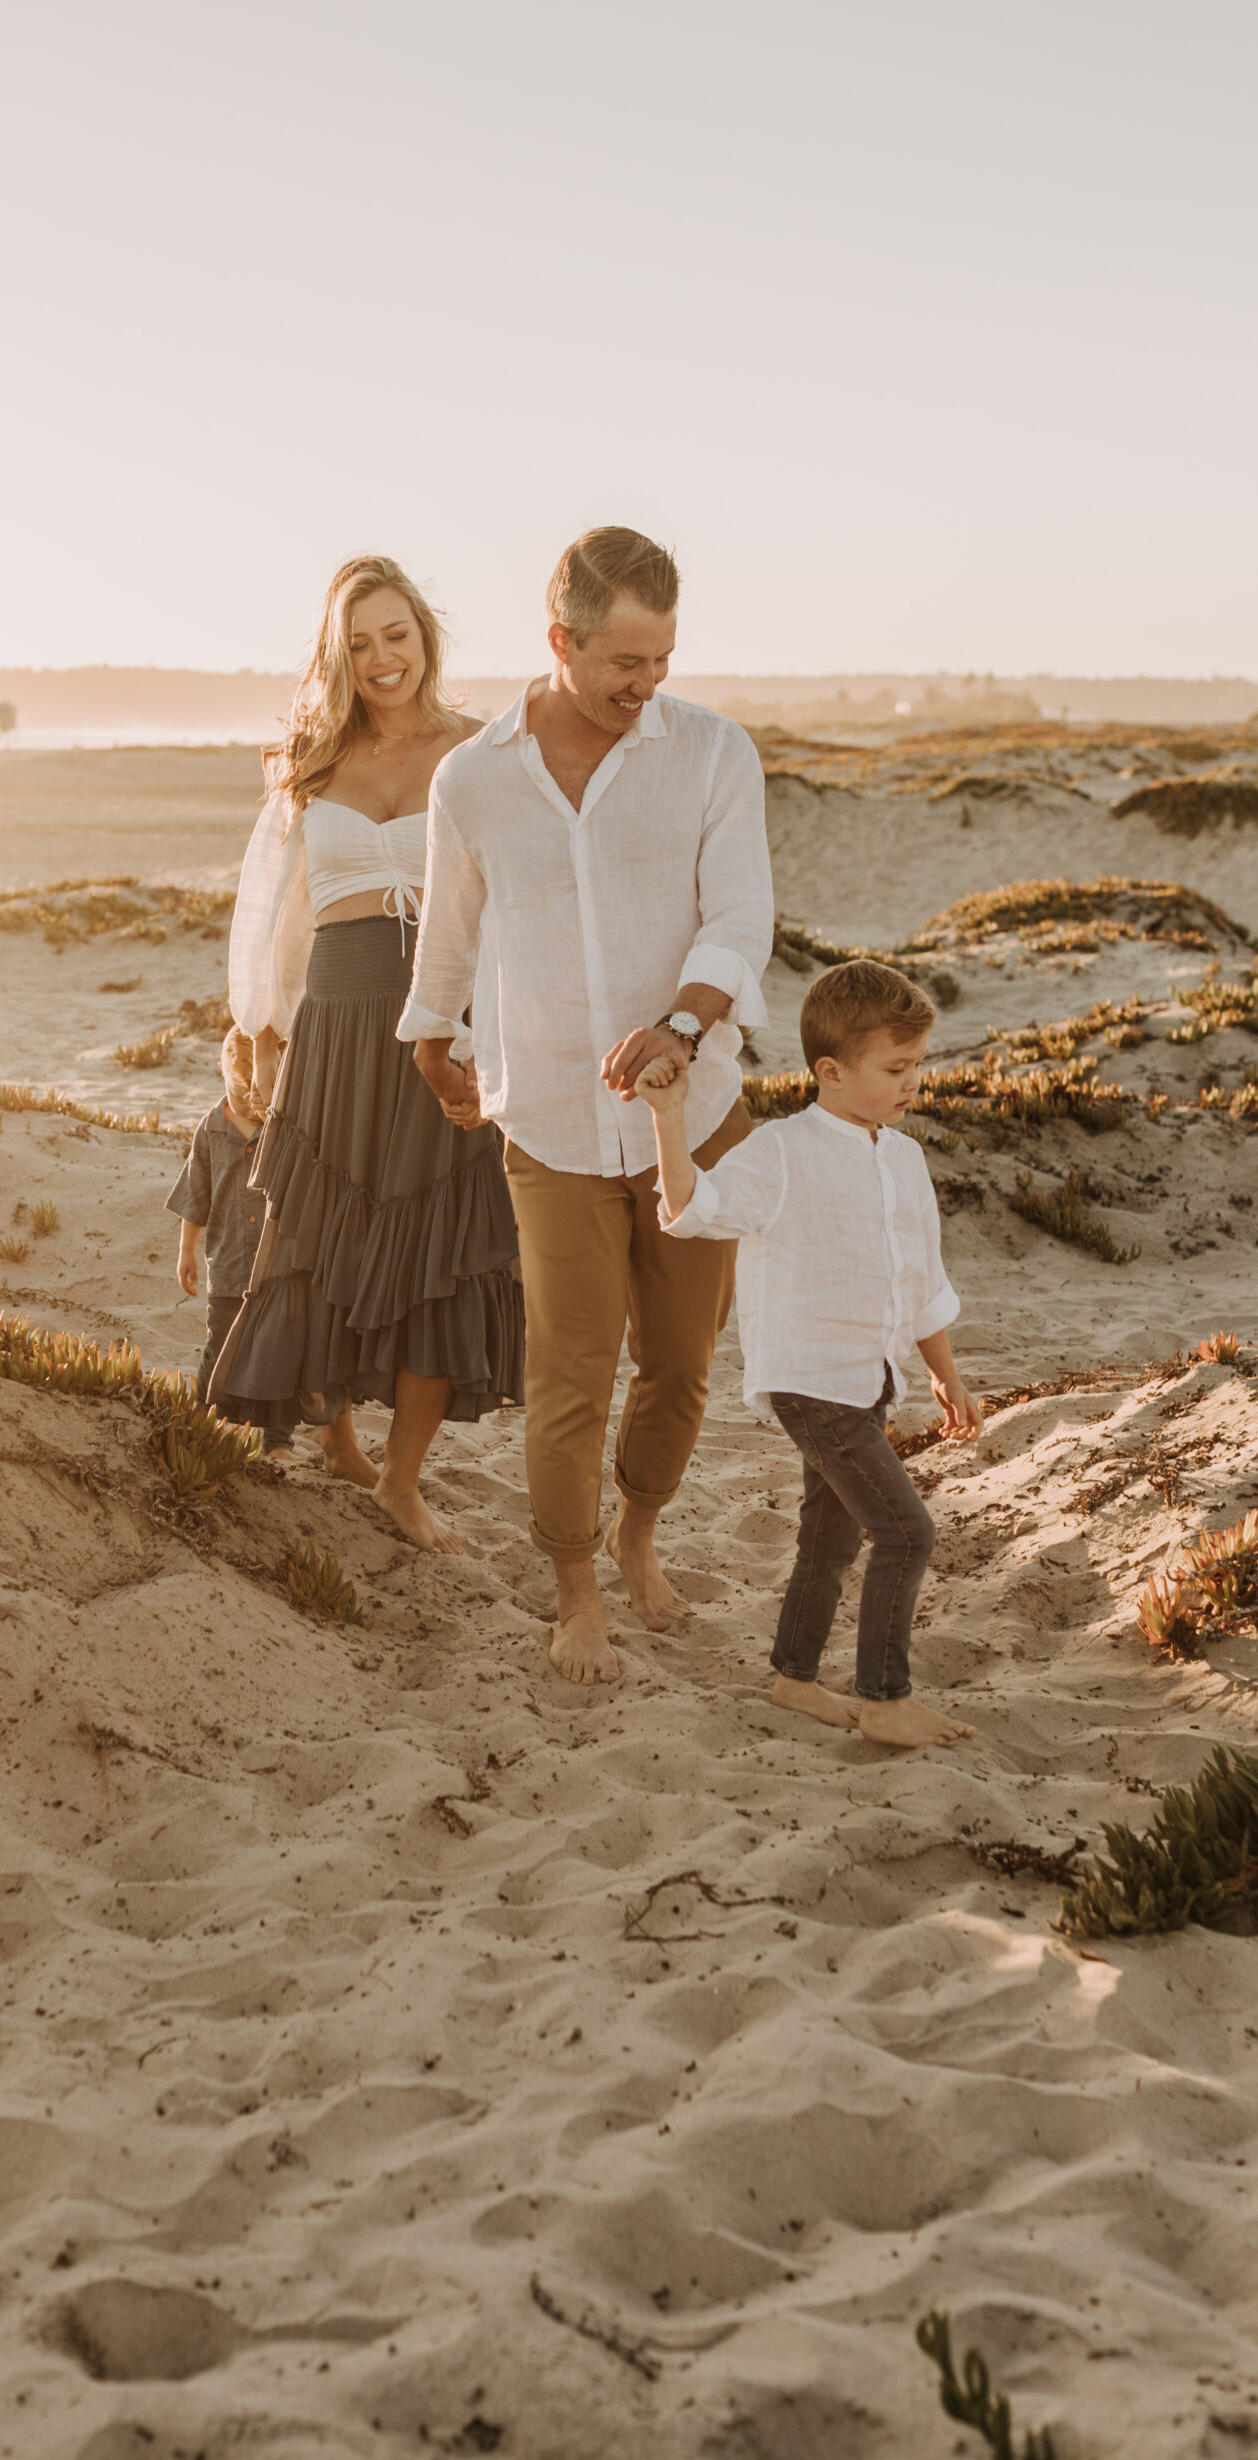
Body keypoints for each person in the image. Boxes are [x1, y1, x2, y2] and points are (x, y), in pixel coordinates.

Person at [399, 525, 772, 1683]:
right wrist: (432, 1037)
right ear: (558, 640)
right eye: (622, 663)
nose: (644, 685)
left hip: (691, 1119)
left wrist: (685, 1025)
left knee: (678, 1363)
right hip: (549, 1124)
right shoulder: (471, 777)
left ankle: (639, 1532)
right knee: (569, 1369)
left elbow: (739, 918)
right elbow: (453, 930)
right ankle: (576, 1590)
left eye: (660, 661)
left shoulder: (713, 754)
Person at [212, 555, 524, 1552]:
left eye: (396, 635)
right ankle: (341, 1444)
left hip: (446, 1015)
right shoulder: (310, 764)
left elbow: (517, 902)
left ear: (426, 635)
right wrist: (258, 1029)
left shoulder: (480, 754)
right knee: (311, 1235)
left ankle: (402, 1476)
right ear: (336, 657)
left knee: (447, 1246)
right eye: (360, 643)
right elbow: (277, 913)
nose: (383, 658)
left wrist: (500, 1034)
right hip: (339, 1020)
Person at [637, 959, 980, 1748]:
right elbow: (692, 1209)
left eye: (916, 1065)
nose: (911, 1083)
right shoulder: (782, 1151)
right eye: (894, 1069)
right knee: (906, 1533)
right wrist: (668, 1120)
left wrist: (945, 1374)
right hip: (807, 1379)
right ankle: (884, 1698)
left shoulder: (903, 1159)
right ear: (829, 1071)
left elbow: (921, 1277)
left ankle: (791, 1679)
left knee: (831, 1538)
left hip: (870, 1381)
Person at [167, 1025, 291, 1450]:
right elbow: (195, 1195)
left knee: (276, 1348)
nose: (248, 1102)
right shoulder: (210, 1130)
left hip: (278, 1264)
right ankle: (203, 1419)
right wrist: (186, 1251)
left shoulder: (284, 1126)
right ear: (218, 1067)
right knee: (220, 1341)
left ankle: (278, 1437)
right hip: (228, 1262)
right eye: (240, 1096)